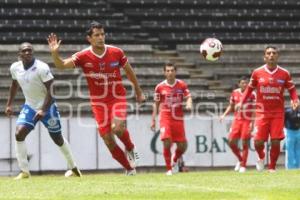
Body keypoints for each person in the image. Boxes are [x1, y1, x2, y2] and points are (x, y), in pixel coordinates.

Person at [47, 21, 145, 175]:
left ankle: (131, 148)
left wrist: (139, 92)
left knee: (117, 128)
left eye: (102, 34)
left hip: (117, 97)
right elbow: (61, 65)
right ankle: (129, 168)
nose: (101, 37)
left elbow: (129, 71)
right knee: (107, 139)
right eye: (97, 35)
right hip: (98, 102)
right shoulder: (83, 56)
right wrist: (54, 53)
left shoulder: (116, 52)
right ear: (89, 38)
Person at [5, 42, 81, 180]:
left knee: (57, 138)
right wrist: (9, 104)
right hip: (29, 106)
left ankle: (73, 167)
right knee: (19, 133)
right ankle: (24, 171)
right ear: (19, 54)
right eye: (24, 51)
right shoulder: (15, 68)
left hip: (48, 107)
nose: (27, 53)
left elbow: (53, 90)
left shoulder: (41, 67)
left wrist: (43, 109)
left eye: (30, 50)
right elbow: (14, 84)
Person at [239, 46, 299, 172]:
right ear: (264, 57)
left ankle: (272, 167)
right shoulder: (257, 72)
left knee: (276, 141)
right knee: (258, 142)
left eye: (274, 53)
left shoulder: (285, 73)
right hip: (261, 112)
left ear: (277, 56)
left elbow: (292, 90)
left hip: (278, 112)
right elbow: (249, 89)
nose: (271, 55)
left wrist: (295, 100)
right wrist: (241, 101)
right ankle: (261, 156)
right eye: (268, 53)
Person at [151, 63, 192, 175]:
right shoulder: (159, 87)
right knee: (167, 141)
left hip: (178, 117)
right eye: (167, 71)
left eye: (172, 70)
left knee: (183, 146)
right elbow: (156, 103)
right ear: (164, 72)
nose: (170, 72)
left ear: (175, 72)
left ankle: (174, 159)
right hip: (165, 116)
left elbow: (189, 97)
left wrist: (189, 104)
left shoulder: (182, 85)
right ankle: (169, 168)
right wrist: (153, 120)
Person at [219, 77, 255, 173]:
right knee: (231, 141)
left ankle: (243, 166)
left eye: (246, 83)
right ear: (239, 84)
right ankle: (240, 159)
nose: (245, 85)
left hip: (247, 121)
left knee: (244, 143)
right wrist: (223, 115)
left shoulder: (252, 94)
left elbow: (254, 110)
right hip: (237, 120)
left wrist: (252, 123)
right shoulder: (235, 92)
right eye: (243, 83)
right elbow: (231, 106)